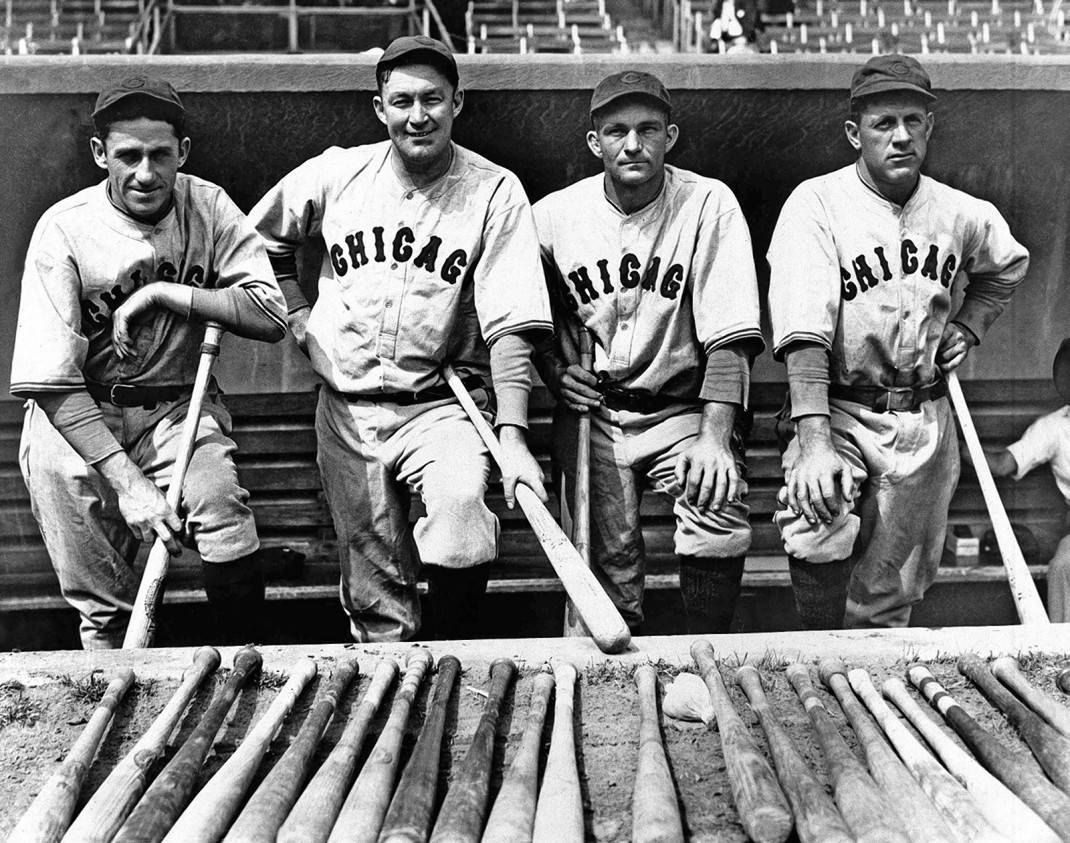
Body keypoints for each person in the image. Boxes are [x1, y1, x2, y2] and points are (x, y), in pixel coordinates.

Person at [249, 35, 552, 642]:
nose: (419, 116)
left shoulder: (494, 190)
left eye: (433, 100)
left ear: (458, 102)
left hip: (442, 405)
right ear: (379, 107)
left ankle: (453, 664)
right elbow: (255, 245)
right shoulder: (337, 173)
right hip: (348, 409)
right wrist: (301, 317)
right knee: (372, 584)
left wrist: (513, 439)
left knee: (463, 511)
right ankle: (392, 694)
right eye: (403, 101)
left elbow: (513, 324)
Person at [10, 75, 288, 648]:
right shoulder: (64, 229)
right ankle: (112, 704)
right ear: (99, 154)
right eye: (128, 156)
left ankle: (246, 671)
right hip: (76, 423)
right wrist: (131, 486)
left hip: (174, 410)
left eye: (160, 155)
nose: (145, 172)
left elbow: (269, 315)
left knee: (224, 519)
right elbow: (52, 383)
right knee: (104, 606)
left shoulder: (208, 206)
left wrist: (166, 294)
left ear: (181, 152)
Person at [767, 54, 1029, 629]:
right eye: (884, 123)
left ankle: (873, 690)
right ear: (854, 133)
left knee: (891, 591)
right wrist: (813, 442)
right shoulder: (816, 204)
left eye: (913, 120)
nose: (902, 135)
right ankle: (818, 659)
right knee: (817, 518)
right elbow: (803, 332)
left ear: (930, 126)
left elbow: (1005, 267)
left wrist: (971, 324)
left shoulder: (962, 212)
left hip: (923, 416)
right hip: (839, 407)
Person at [533, 71, 764, 633]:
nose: (632, 144)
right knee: (608, 569)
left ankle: (709, 656)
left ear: (671, 136)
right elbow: (520, 316)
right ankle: (616, 687)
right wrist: (555, 370)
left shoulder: (709, 203)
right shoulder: (553, 216)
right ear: (595, 143)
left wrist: (714, 437)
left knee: (716, 502)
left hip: (682, 408)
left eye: (647, 130)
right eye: (616, 131)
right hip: (598, 414)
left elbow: (733, 336)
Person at [963, 339, 1070, 622]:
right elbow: (1001, 464)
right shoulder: (1053, 427)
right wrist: (954, 443)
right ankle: (1061, 652)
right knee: (1063, 566)